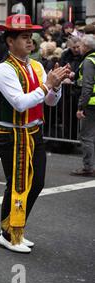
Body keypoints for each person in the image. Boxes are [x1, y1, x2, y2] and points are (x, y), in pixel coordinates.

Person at [0, 14, 70, 253]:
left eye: (31, 37)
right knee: (17, 183)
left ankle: (17, 228)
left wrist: (55, 87)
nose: (30, 42)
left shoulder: (36, 65)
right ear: (10, 41)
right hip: (12, 133)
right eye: (24, 37)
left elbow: (49, 102)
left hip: (34, 131)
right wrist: (47, 84)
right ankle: (9, 234)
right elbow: (20, 103)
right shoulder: (4, 70)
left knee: (36, 183)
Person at [71, 34, 95, 177]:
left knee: (86, 136)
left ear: (86, 47)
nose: (78, 48)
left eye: (80, 45)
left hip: (91, 104)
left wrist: (80, 107)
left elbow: (87, 86)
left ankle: (88, 167)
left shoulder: (88, 61)